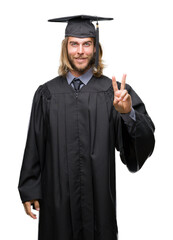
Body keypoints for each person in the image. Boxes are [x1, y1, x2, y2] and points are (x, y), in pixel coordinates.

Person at [18, 15, 155, 240]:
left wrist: (127, 114)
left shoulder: (115, 93)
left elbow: (144, 141)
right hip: (57, 200)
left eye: (86, 44)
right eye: (74, 44)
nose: (80, 51)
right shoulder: (47, 94)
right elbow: (35, 142)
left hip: (99, 201)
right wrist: (29, 187)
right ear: (66, 48)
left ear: (95, 48)